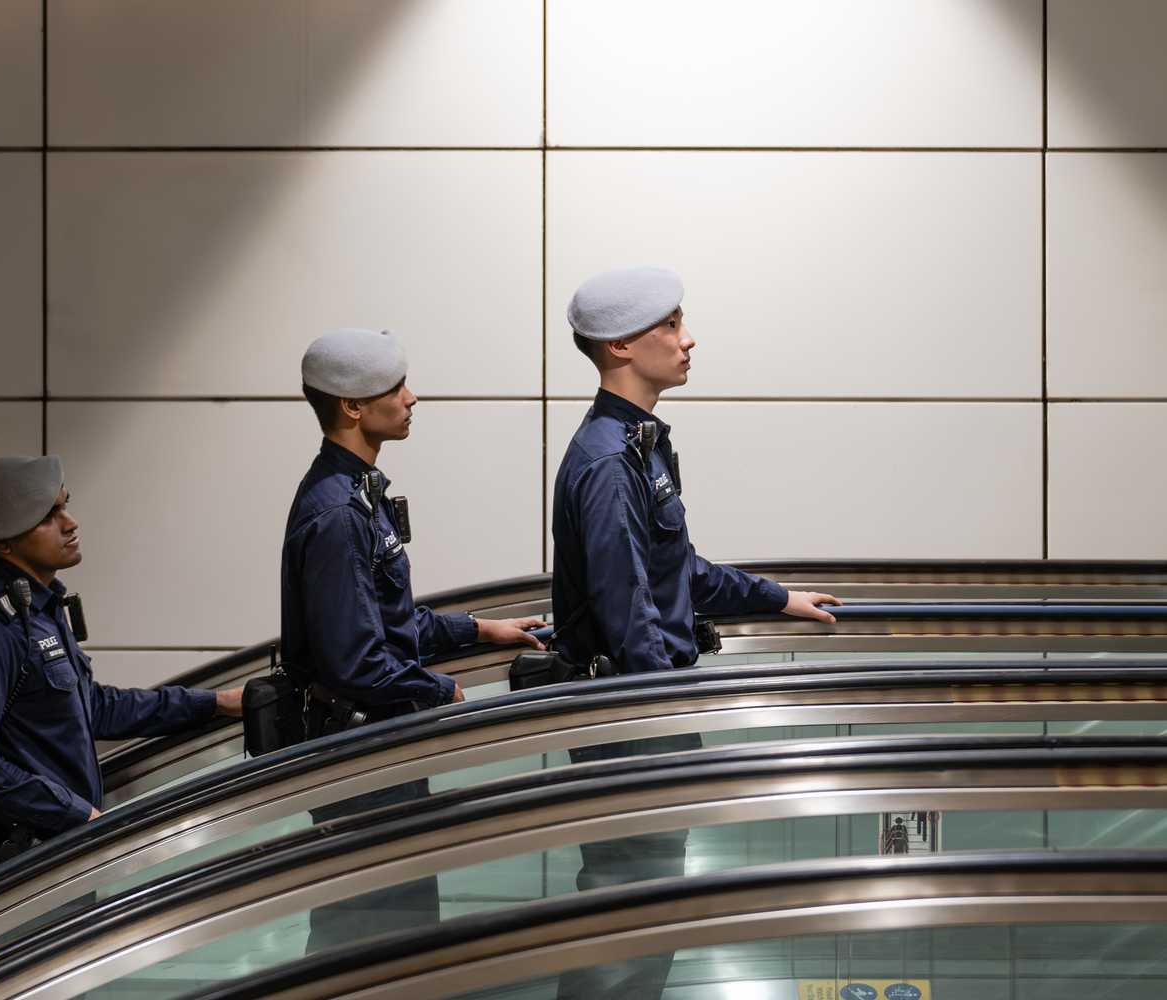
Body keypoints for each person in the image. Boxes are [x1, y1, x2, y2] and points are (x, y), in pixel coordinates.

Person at [552, 266, 842, 997]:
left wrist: (776, 598)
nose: (688, 340)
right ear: (620, 346)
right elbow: (627, 614)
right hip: (633, 721)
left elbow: (677, 570)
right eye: (672, 326)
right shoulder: (609, 462)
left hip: (645, 714)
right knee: (627, 919)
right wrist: (675, 714)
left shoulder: (638, 446)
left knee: (646, 916)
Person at [282, 328, 544, 953]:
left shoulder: (358, 495)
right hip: (361, 753)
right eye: (395, 387)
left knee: (396, 922)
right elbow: (356, 659)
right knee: (368, 931)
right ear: (352, 407)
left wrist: (480, 630)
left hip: (381, 742)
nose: (412, 398)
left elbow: (386, 622)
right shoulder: (338, 513)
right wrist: (440, 688)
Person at [0, 456, 242, 888]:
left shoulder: (38, 608)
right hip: (20, 875)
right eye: (48, 516)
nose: (70, 523)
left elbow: (92, 708)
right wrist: (77, 816)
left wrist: (213, 703)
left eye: (65, 505)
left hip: (60, 859)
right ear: (3, 543)